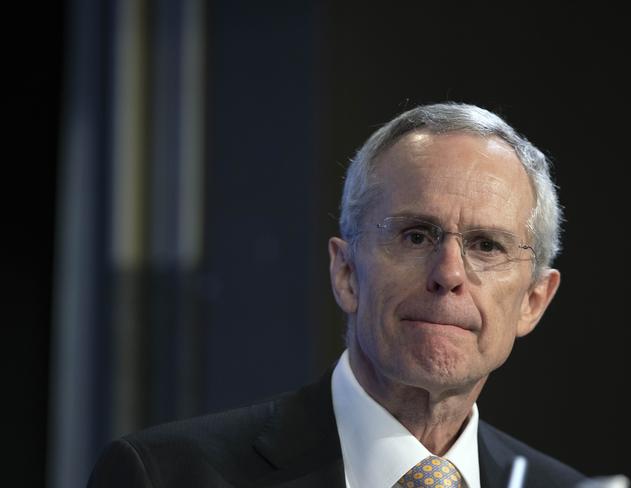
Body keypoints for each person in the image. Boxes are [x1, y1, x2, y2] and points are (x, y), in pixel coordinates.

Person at [87, 102, 587, 487]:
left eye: (486, 245)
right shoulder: (168, 476)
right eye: (416, 235)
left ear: (533, 301)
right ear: (346, 271)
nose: (449, 273)